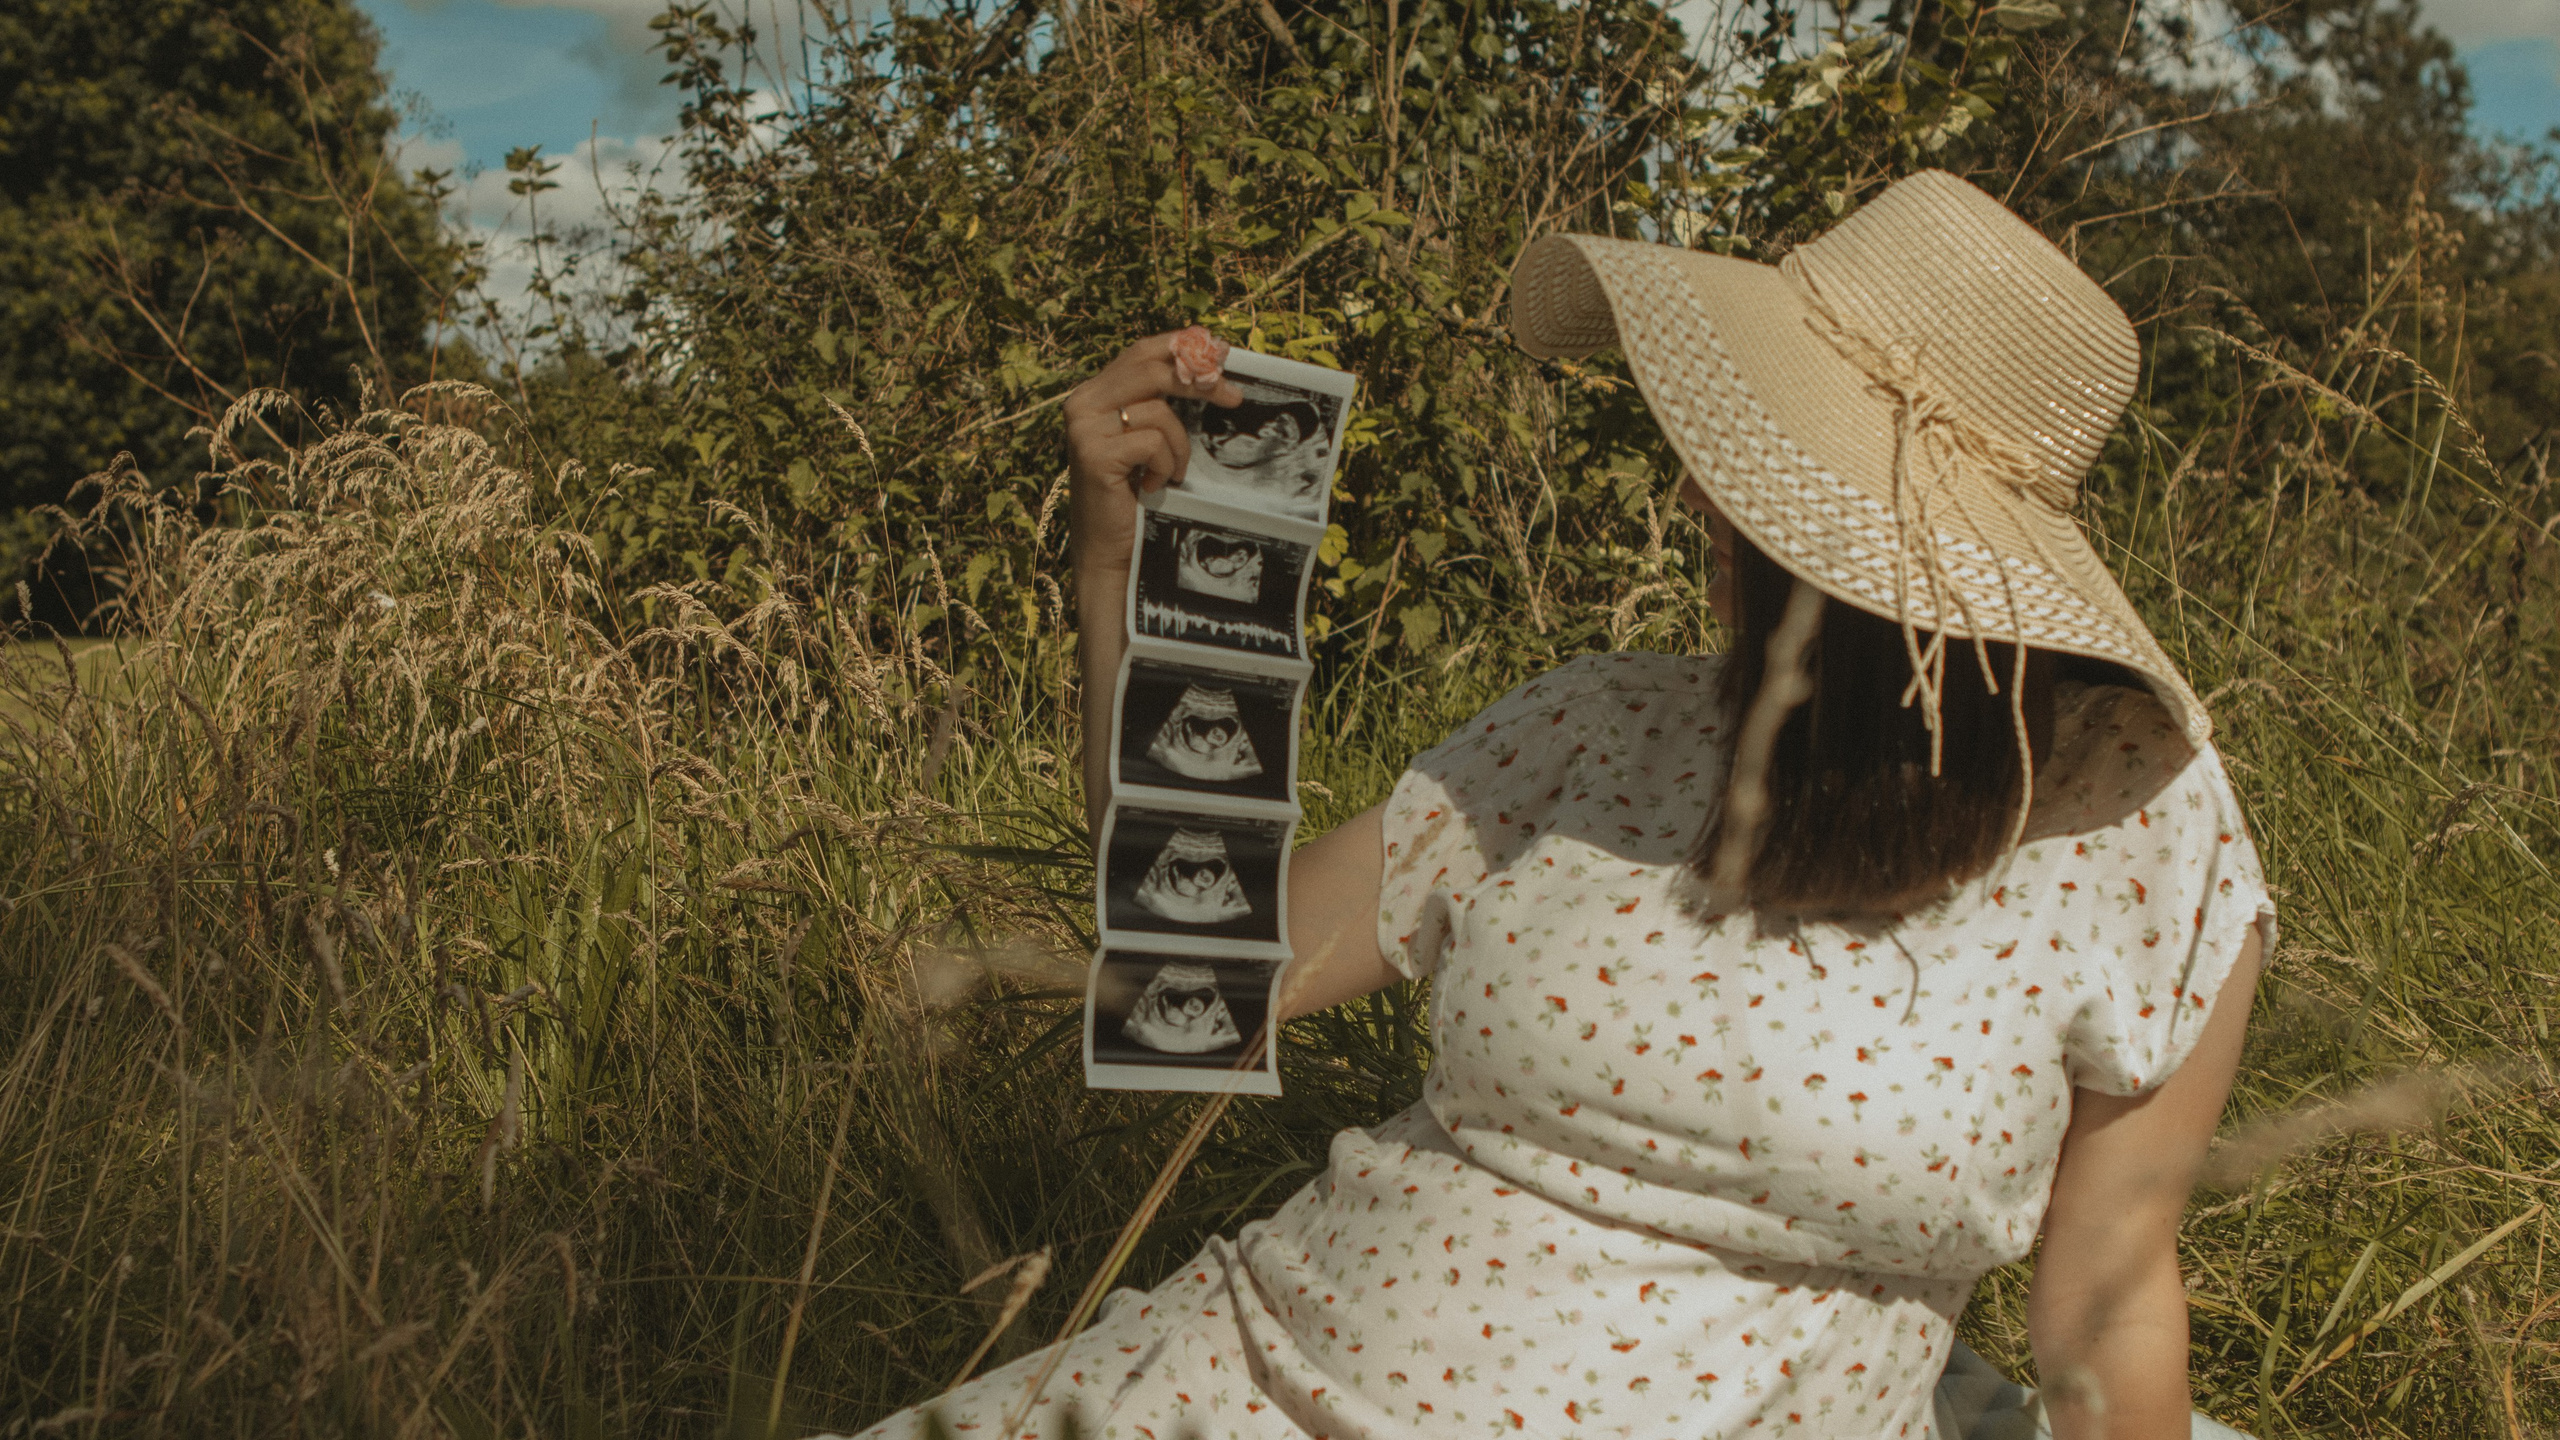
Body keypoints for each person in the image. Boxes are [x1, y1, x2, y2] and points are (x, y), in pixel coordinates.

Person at [831, 170, 2271, 1440]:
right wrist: (1120, 564)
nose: (1697, 498)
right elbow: (1190, 980)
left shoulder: (2137, 825)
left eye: (1765, 477)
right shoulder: (1600, 724)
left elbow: (2109, 1300)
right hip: (1243, 1380)